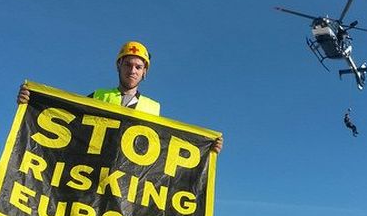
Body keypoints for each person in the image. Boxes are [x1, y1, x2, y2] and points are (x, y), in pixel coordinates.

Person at [17, 40, 223, 153]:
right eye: (128, 64)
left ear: (145, 73)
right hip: (88, 170)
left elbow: (166, 146)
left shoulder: (153, 108)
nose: (132, 70)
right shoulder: (97, 96)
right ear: (119, 66)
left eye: (138, 67)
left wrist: (206, 147)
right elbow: (64, 117)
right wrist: (32, 101)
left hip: (126, 181)